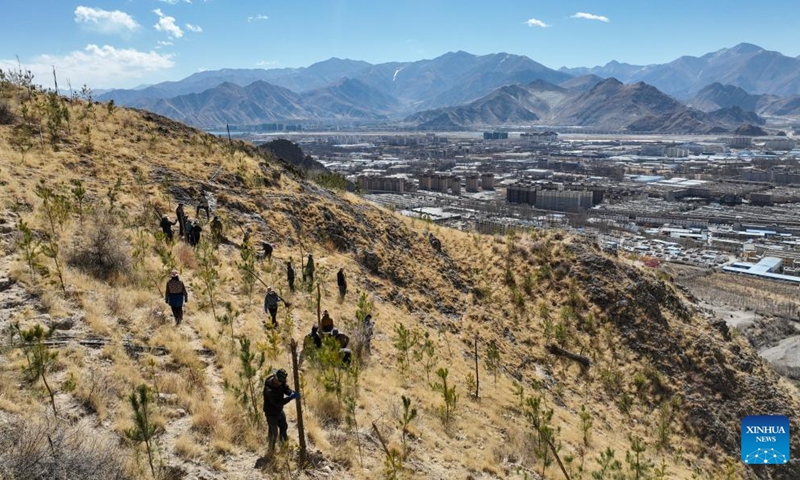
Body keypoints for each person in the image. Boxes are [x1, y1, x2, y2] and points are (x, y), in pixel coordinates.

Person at [263, 368, 299, 457]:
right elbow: (278, 403)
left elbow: (286, 389)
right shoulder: (268, 390)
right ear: (275, 378)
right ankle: (270, 452)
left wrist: (291, 393)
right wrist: (290, 398)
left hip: (279, 411)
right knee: (273, 433)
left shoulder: (280, 381)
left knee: (284, 427)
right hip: (271, 413)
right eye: (279, 382)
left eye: (281, 382)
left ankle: (284, 449)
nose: (280, 384)